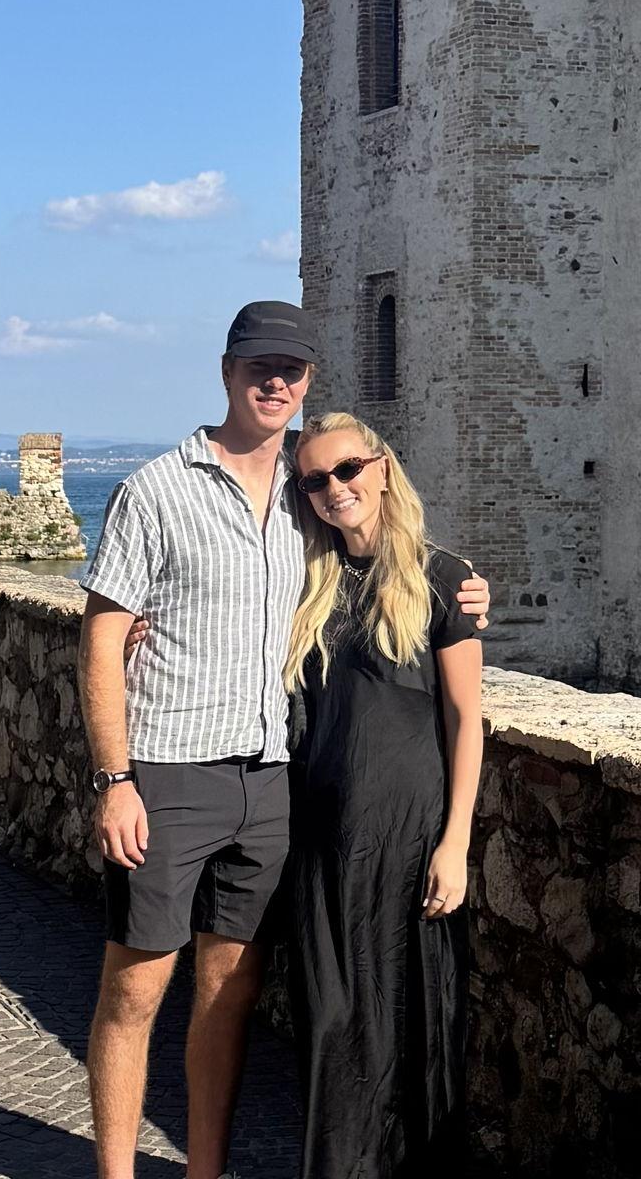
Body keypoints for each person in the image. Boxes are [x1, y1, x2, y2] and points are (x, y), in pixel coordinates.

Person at [78, 301, 489, 1179]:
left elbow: (399, 564)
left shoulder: (305, 516)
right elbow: (102, 633)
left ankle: (204, 1172)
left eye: (292, 371)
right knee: (137, 988)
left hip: (270, 785)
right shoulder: (158, 487)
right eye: (259, 366)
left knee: (229, 995)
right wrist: (115, 777)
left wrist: (467, 593)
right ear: (227, 371)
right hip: (170, 772)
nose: (275, 382)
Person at [284, 413, 483, 1178]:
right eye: (314, 481)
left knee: (413, 1025)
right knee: (331, 1023)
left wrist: (456, 844)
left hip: (410, 839)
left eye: (347, 471)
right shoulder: (309, 584)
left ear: (382, 470)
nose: (334, 490)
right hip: (326, 841)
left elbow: (467, 719)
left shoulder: (443, 579)